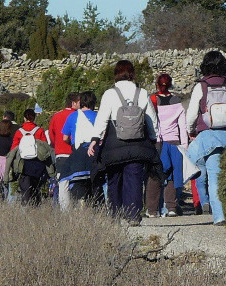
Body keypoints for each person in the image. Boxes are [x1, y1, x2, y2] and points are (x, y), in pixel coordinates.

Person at [87, 60, 160, 224]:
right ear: (132, 73)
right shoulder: (141, 93)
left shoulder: (110, 93)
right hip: (137, 143)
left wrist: (94, 139)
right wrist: (154, 138)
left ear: (116, 74)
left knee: (114, 178)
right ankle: (133, 215)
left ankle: (115, 214)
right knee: (134, 180)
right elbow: (151, 120)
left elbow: (102, 119)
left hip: (113, 143)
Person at [185, 51, 226, 226]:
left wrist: (191, 131)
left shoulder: (200, 86)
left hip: (209, 137)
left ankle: (220, 216)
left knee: (215, 177)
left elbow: (192, 115)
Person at [147, 74, 187, 217]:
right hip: (174, 142)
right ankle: (171, 207)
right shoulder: (177, 101)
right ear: (170, 85)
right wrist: (184, 145)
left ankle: (152, 210)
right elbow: (183, 126)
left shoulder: (152, 100)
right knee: (172, 176)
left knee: (155, 175)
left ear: (157, 84)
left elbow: (150, 121)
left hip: (158, 142)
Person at [62, 91, 101, 203]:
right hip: (94, 151)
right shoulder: (97, 116)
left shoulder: (72, 116)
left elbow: (64, 138)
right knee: (95, 182)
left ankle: (80, 205)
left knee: (78, 182)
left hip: (77, 151)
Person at [9, 108, 50, 205]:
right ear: (34, 118)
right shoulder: (39, 130)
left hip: (24, 163)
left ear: (24, 118)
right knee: (36, 187)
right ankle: (36, 206)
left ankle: (26, 206)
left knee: (25, 188)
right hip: (38, 163)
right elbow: (45, 145)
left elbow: (14, 147)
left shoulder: (19, 131)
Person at [48, 92, 80, 210]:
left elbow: (51, 135)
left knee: (63, 183)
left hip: (61, 153)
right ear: (73, 103)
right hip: (76, 153)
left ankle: (65, 210)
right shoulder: (78, 115)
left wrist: (56, 145)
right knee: (78, 181)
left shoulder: (56, 116)